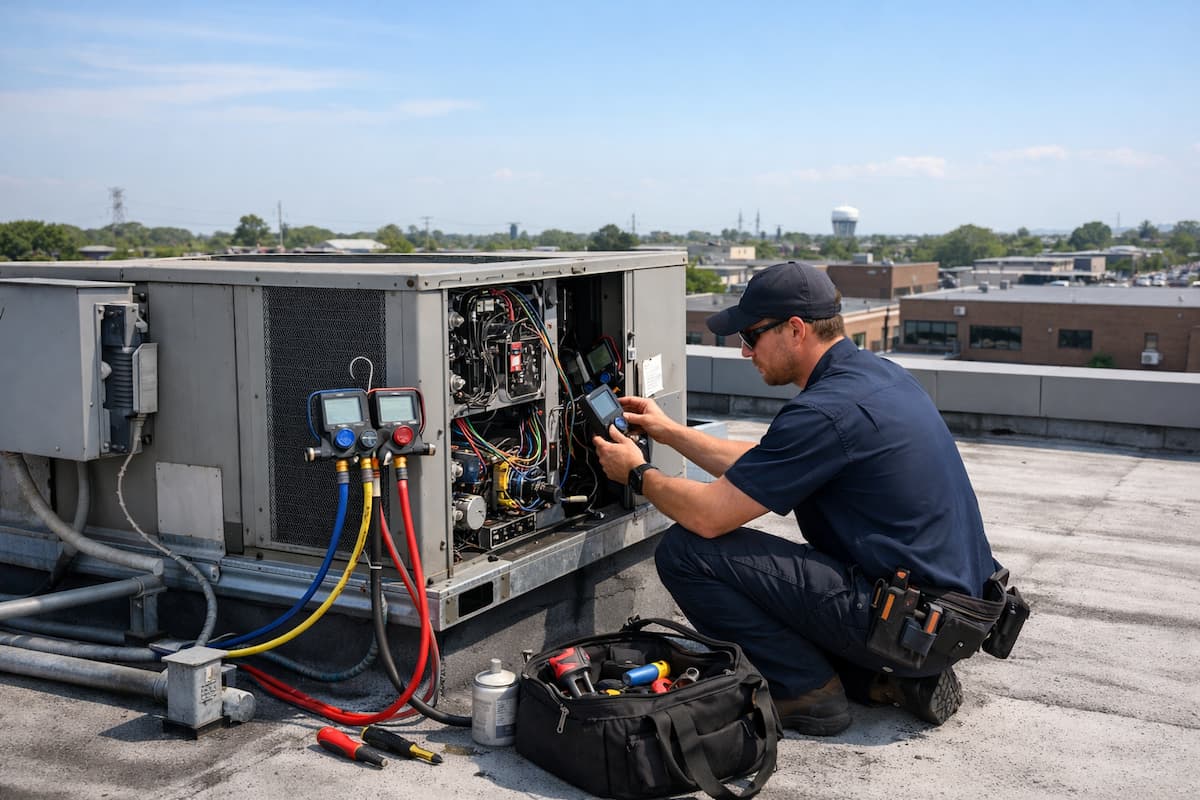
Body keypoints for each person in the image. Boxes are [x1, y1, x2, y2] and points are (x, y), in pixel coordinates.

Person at [592, 261, 1000, 737]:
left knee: (687, 552)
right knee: (783, 571)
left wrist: (638, 473)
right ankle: (879, 681)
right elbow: (771, 461)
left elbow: (708, 517)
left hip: (906, 624)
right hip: (949, 619)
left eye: (750, 336)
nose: (745, 352)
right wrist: (670, 432)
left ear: (795, 330)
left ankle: (806, 691)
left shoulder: (825, 411)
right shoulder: (877, 376)